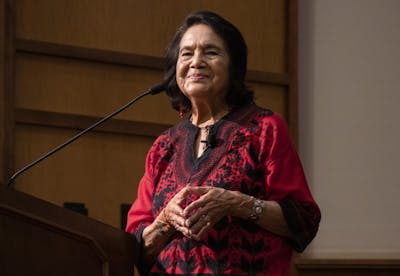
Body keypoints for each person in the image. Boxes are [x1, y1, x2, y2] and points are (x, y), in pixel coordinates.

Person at [126, 10, 320, 275]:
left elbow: (303, 220)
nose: (196, 62)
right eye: (187, 53)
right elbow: (136, 250)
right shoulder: (163, 147)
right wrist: (165, 221)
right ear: (176, 69)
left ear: (233, 67)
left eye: (211, 52)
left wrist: (235, 203)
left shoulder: (264, 129)